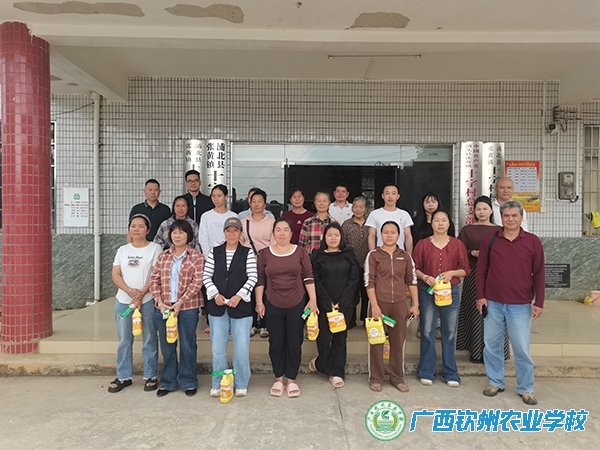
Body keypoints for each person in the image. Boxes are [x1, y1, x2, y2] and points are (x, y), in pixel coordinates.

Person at [476, 201, 545, 405]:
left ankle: (526, 388)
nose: (510, 219)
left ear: (521, 217)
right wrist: (480, 296)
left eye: (514, 215)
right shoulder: (490, 240)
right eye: (506, 216)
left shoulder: (532, 241)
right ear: (501, 218)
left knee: (521, 348)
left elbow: (539, 273)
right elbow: (481, 270)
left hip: (520, 304)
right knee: (492, 345)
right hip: (493, 302)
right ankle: (495, 381)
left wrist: (539, 301)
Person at [255, 217, 318, 398]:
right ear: (273, 233)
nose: (282, 233)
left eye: (285, 230)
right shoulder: (265, 253)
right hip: (272, 303)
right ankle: (278, 378)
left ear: (291, 233)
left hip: (297, 303)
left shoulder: (300, 252)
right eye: (278, 230)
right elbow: (260, 279)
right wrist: (259, 302)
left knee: (294, 342)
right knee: (276, 342)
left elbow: (308, 275)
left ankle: (291, 379)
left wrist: (312, 300)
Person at [413, 210, 470, 387]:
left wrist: (452, 272)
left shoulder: (457, 244)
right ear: (431, 223)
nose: (440, 223)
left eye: (443, 220)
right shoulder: (422, 244)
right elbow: (414, 268)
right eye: (437, 220)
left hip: (450, 291)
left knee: (449, 332)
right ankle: (426, 371)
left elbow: (466, 269)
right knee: (427, 331)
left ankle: (450, 373)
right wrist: (425, 277)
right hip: (427, 291)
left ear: (448, 223)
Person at [203, 217, 258, 398]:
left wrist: (239, 296)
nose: (232, 234)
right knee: (218, 349)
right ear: (224, 232)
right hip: (217, 307)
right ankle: (218, 382)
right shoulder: (215, 252)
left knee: (241, 349)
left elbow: (253, 277)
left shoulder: (247, 253)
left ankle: (241, 382)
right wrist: (215, 295)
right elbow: (206, 276)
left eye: (235, 231)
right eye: (229, 230)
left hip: (241, 308)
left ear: (240, 233)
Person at [108, 214, 162, 393]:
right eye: (133, 226)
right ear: (129, 229)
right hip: (124, 301)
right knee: (124, 339)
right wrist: (130, 291)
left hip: (147, 301)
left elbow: (155, 275)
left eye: (140, 226)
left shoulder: (155, 248)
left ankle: (150, 375)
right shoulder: (122, 250)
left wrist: (140, 295)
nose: (136, 229)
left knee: (149, 338)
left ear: (148, 230)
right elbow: (115, 274)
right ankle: (124, 376)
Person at [149, 219, 204, 397]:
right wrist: (159, 301)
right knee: (167, 345)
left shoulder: (197, 256)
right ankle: (168, 382)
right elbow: (154, 280)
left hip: (188, 307)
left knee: (188, 345)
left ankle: (188, 381)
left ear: (189, 235)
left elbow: (197, 282)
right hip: (164, 307)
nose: (177, 236)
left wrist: (181, 301)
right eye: (174, 232)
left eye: (181, 232)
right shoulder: (163, 256)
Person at [365, 221, 419, 393]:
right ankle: (376, 378)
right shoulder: (373, 255)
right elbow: (369, 281)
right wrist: (374, 306)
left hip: (400, 304)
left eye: (393, 232)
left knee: (398, 342)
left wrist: (415, 304)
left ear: (399, 235)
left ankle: (397, 378)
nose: (389, 235)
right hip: (379, 303)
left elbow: (411, 280)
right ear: (380, 235)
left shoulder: (405, 256)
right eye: (386, 232)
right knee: (376, 342)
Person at [456, 196, 508, 364]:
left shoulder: (500, 230)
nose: (482, 212)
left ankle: (495, 351)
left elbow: (506, 250)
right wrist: (472, 253)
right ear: (474, 211)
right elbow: (459, 250)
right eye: (478, 209)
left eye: (485, 208)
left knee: (495, 312)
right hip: (473, 274)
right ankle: (476, 350)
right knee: (475, 312)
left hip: (495, 275)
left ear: (491, 210)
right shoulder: (467, 230)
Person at [309, 223, 360, 388]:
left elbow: (354, 279)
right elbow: (315, 280)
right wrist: (327, 302)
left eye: (336, 235)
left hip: (345, 304)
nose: (333, 238)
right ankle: (320, 363)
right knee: (324, 338)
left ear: (341, 237)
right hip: (324, 304)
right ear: (324, 237)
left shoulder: (348, 254)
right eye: (329, 235)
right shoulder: (318, 255)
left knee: (339, 338)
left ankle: (336, 373)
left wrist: (342, 302)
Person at [240, 189, 275, 338]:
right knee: (250, 293)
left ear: (265, 204)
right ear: (250, 203)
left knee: (265, 293)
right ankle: (253, 324)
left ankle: (264, 325)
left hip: (266, 262)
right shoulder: (244, 221)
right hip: (248, 263)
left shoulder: (272, 222)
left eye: (260, 201)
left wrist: (264, 255)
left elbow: (274, 242)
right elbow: (240, 242)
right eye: (253, 201)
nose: (256, 204)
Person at [341, 196, 370, 327]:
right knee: (351, 292)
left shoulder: (370, 223)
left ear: (366, 209)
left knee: (366, 292)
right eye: (355, 207)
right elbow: (343, 244)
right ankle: (350, 319)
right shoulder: (346, 224)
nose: (358, 209)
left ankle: (365, 318)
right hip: (350, 263)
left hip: (367, 263)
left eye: (361, 207)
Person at [366, 183, 414, 254]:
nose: (390, 196)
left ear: (398, 196)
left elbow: (408, 237)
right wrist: (373, 255)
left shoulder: (404, 214)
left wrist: (409, 256)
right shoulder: (374, 214)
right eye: (387, 193)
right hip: (381, 254)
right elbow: (371, 236)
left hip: (399, 254)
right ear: (383, 196)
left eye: (393, 193)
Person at [199, 184, 238, 257]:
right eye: (213, 196)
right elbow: (203, 239)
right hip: (210, 255)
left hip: (230, 254)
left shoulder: (233, 216)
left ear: (226, 197)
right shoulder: (206, 216)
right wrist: (208, 256)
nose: (216, 199)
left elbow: (236, 236)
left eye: (219, 196)